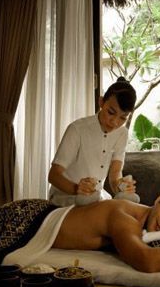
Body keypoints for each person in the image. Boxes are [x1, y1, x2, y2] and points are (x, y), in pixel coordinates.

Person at [52, 185, 160, 273]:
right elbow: (148, 262)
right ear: (159, 199)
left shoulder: (143, 225)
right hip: (34, 221)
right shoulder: (124, 217)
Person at [47, 77, 139, 206]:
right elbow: (53, 176)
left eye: (123, 118)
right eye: (111, 113)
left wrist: (120, 186)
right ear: (101, 102)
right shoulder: (77, 129)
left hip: (95, 198)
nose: (115, 122)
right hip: (65, 197)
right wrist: (77, 189)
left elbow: (115, 173)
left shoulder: (122, 133)